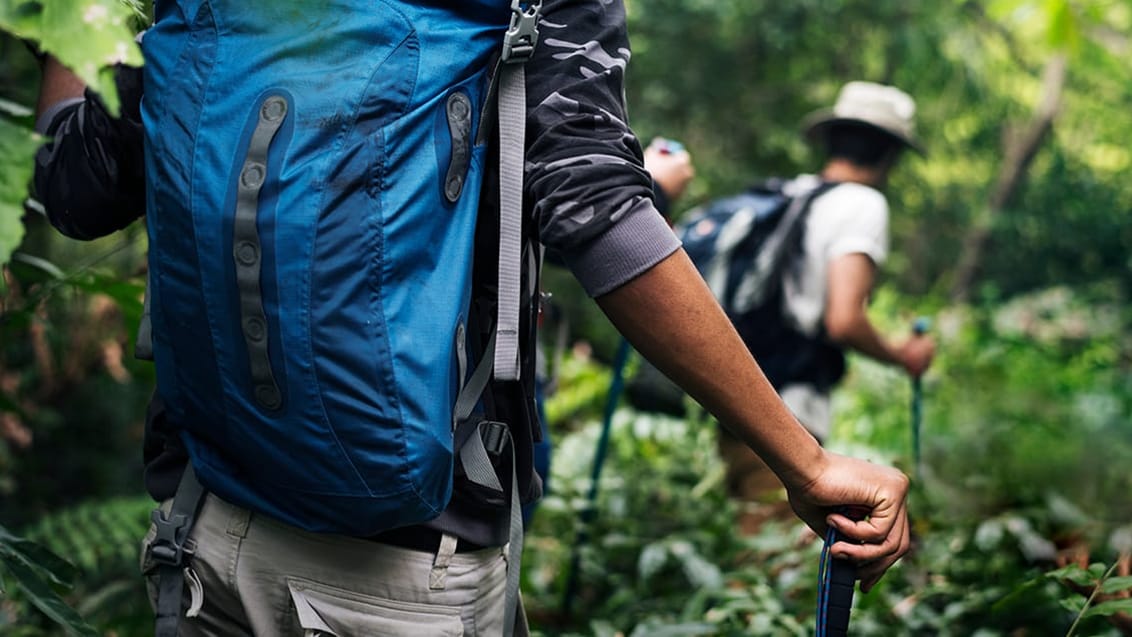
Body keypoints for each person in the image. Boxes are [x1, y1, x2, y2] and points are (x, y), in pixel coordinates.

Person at [33, 6, 912, 635]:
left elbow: (71, 187)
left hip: (202, 524)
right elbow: (595, 211)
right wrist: (805, 458)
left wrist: (64, 18)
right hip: (402, 575)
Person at [713, 81, 937, 535]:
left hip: (736, 392)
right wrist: (902, 355)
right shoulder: (863, 204)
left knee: (748, 540)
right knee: (771, 557)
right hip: (788, 410)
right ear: (889, 154)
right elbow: (844, 319)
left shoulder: (789, 194)